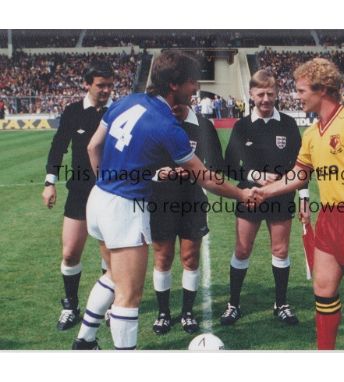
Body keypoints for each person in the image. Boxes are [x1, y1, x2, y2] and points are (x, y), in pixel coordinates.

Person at [72, 50, 254, 350]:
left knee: (113, 276)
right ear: (174, 85)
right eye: (192, 82)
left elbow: (94, 146)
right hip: (125, 207)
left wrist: (108, 181)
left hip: (99, 199)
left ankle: (84, 342)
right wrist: (242, 193)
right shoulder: (167, 125)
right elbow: (205, 177)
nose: (195, 88)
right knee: (128, 296)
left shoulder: (126, 101)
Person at [254, 58, 344, 350]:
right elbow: (298, 174)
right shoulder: (311, 133)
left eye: (302, 90)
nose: (297, 96)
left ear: (323, 90)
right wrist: (265, 192)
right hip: (328, 221)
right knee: (323, 291)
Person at [221, 70, 307, 326]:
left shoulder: (289, 124)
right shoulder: (242, 126)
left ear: (277, 93)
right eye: (261, 94)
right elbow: (228, 166)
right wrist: (255, 174)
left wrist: (304, 198)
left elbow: (302, 166)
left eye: (270, 93)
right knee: (242, 248)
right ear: (251, 95)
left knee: (280, 250)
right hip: (250, 195)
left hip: (281, 197)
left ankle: (281, 303)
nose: (266, 99)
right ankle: (233, 304)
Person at [41, 61, 114, 331]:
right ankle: (70, 305)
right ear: (87, 84)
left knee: (109, 257)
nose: (106, 90)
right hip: (80, 191)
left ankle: (108, 304)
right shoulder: (73, 111)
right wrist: (50, 182)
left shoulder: (116, 112)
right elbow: (58, 147)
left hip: (110, 192)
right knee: (70, 252)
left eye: (109, 85)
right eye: (100, 85)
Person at [150, 105, 225, 335]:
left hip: (192, 199)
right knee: (163, 257)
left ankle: (187, 312)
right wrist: (158, 173)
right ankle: (163, 313)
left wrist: (197, 172)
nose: (173, 104)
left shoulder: (203, 126)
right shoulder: (156, 123)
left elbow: (217, 166)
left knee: (190, 258)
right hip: (162, 199)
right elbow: (142, 162)